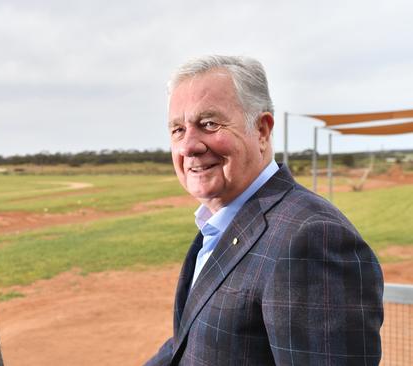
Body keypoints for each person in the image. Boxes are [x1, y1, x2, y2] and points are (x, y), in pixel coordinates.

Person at [145, 56, 383, 365]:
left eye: (209, 124)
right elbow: (188, 340)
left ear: (261, 129)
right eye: (177, 129)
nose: (188, 145)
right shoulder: (222, 221)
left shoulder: (312, 237)